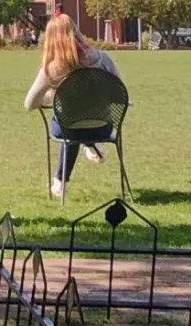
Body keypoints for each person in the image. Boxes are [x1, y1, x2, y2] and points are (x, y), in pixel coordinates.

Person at [22, 13, 122, 198]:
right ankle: (91, 145)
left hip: (69, 129)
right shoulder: (103, 59)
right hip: (102, 127)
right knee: (78, 120)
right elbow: (118, 94)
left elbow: (30, 103)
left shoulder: (53, 69)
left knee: (69, 123)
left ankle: (60, 182)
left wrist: (52, 97)